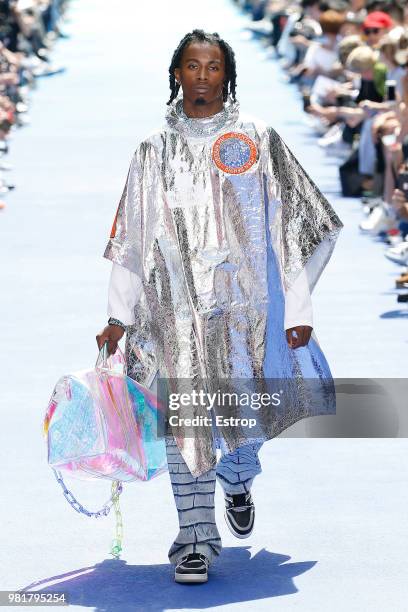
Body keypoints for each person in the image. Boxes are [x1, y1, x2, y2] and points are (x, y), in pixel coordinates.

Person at [96, 28, 343, 584]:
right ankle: (194, 539)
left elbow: (297, 226)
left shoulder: (258, 139)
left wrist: (297, 309)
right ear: (176, 74)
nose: (202, 76)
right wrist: (118, 315)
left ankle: (238, 479)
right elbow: (131, 236)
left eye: (213, 66)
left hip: (245, 312)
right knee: (185, 422)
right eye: (191, 65)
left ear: (227, 74)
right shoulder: (152, 151)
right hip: (173, 311)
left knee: (239, 426)